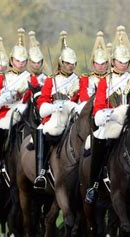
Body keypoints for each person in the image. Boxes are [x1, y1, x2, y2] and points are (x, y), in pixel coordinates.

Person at [85, 25, 130, 204]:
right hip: (113, 121)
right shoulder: (105, 82)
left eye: (125, 62)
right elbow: (98, 106)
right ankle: (94, 185)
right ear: (113, 61)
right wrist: (110, 113)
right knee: (99, 139)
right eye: (120, 62)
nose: (123, 65)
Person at [0, 28, 39, 189]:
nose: (21, 64)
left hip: (25, 110)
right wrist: (4, 98)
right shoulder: (3, 78)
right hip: (6, 113)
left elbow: (37, 95)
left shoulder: (31, 78)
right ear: (11, 60)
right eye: (18, 61)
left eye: (24, 61)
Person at [33, 31, 80, 189]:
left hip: (72, 117)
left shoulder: (78, 80)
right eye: (67, 63)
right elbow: (42, 100)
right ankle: (41, 171)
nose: (70, 66)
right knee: (43, 130)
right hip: (54, 117)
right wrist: (53, 107)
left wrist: (74, 107)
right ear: (61, 62)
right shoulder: (50, 80)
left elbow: (81, 99)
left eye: (73, 63)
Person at [79, 31, 110, 103]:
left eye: (102, 64)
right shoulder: (87, 79)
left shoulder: (111, 78)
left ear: (107, 64)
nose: (100, 66)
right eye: (97, 63)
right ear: (93, 63)